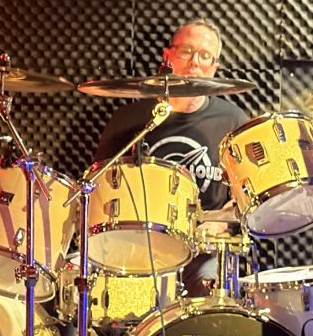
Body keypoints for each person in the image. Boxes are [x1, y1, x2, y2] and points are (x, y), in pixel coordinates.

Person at [90, 19, 247, 207]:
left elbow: (247, 196)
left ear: (214, 68)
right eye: (186, 51)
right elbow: (99, 188)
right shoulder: (127, 120)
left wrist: (225, 217)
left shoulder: (233, 122)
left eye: (205, 55)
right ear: (167, 56)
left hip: (209, 225)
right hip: (141, 224)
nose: (194, 62)